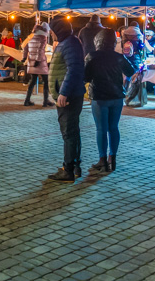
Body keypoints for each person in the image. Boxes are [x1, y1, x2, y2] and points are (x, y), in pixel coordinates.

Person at [84, 28, 136, 172]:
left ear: (98, 41)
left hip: (100, 97)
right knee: (113, 128)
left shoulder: (92, 56)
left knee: (101, 129)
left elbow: (86, 77)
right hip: (117, 96)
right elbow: (131, 71)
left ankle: (102, 161)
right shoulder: (118, 57)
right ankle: (112, 159)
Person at [48, 18, 86, 182]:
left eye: (52, 30)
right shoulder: (67, 42)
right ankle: (74, 166)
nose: (50, 34)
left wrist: (63, 92)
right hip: (69, 94)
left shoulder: (69, 43)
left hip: (68, 96)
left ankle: (68, 170)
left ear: (58, 30)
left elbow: (74, 69)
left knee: (68, 133)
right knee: (72, 132)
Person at [22, 24, 53, 107]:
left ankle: (27, 100)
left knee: (32, 82)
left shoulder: (32, 37)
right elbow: (40, 49)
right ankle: (46, 101)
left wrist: (24, 58)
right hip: (40, 63)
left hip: (32, 62)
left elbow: (25, 48)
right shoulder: (43, 38)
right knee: (46, 82)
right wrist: (38, 60)